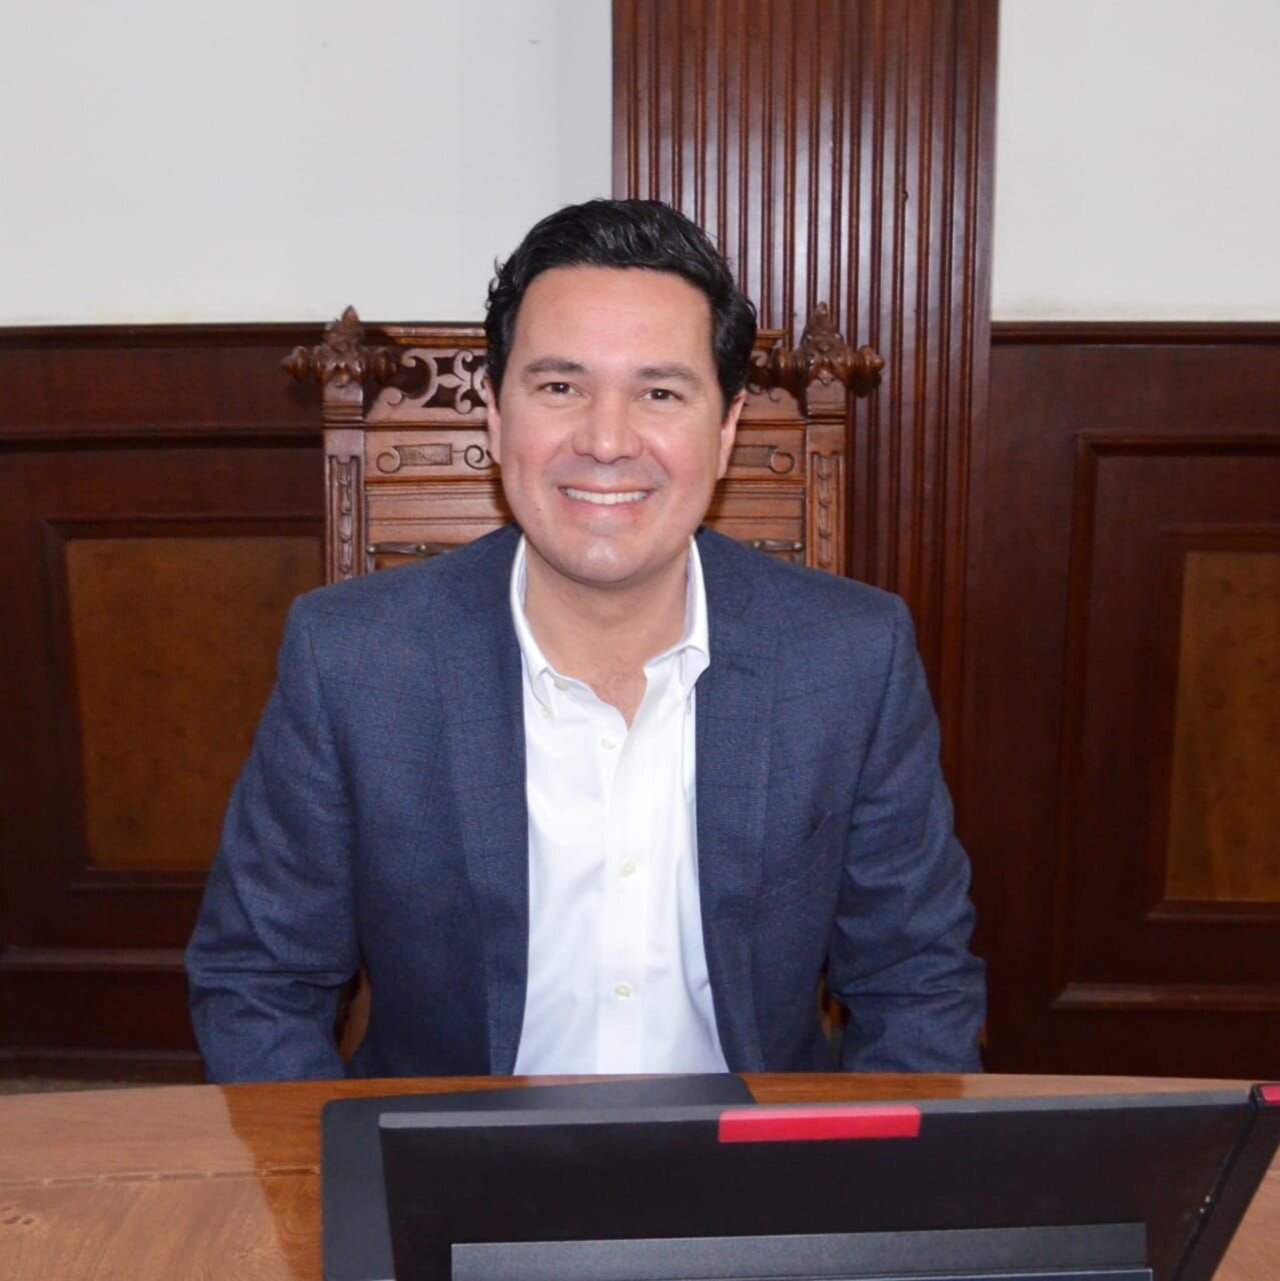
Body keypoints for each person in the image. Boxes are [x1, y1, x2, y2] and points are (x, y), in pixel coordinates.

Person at [185, 199, 984, 1082]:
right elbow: (258, 981)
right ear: (496, 415)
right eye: (560, 387)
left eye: (659, 392)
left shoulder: (851, 657)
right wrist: (342, 1165)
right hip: (448, 1156)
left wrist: (871, 1164)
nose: (606, 442)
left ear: (726, 429)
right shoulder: (352, 659)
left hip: (753, 1154)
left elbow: (917, 983)